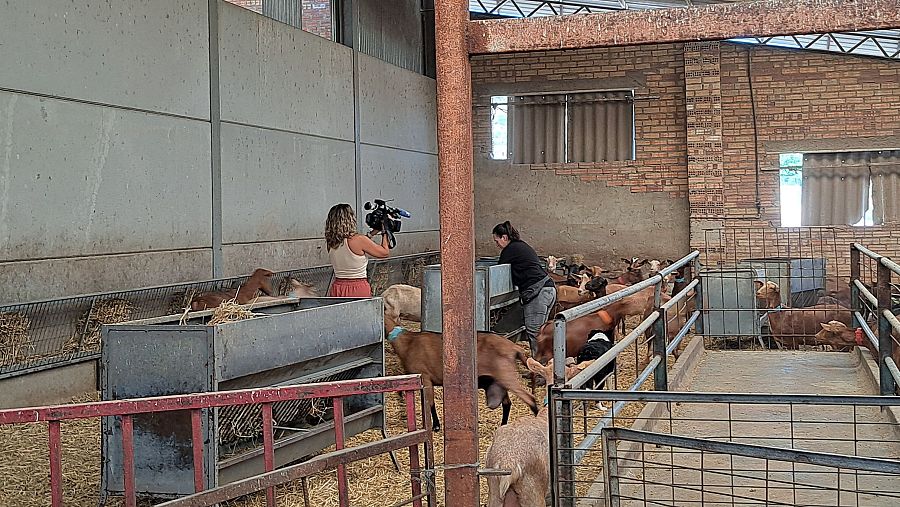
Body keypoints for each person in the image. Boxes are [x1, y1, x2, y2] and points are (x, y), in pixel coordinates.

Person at [492, 221, 556, 356]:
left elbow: (497, 270)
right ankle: (542, 367)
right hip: (547, 288)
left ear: (504, 237)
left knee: (534, 332)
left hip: (537, 293)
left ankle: (539, 370)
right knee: (540, 332)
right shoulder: (520, 246)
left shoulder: (510, 250)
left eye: (497, 241)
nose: (496, 245)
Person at [325, 203, 390, 297]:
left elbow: (356, 247)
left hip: (338, 287)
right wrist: (385, 232)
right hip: (357, 287)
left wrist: (373, 233)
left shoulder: (331, 242)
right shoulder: (358, 240)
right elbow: (384, 253)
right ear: (350, 219)